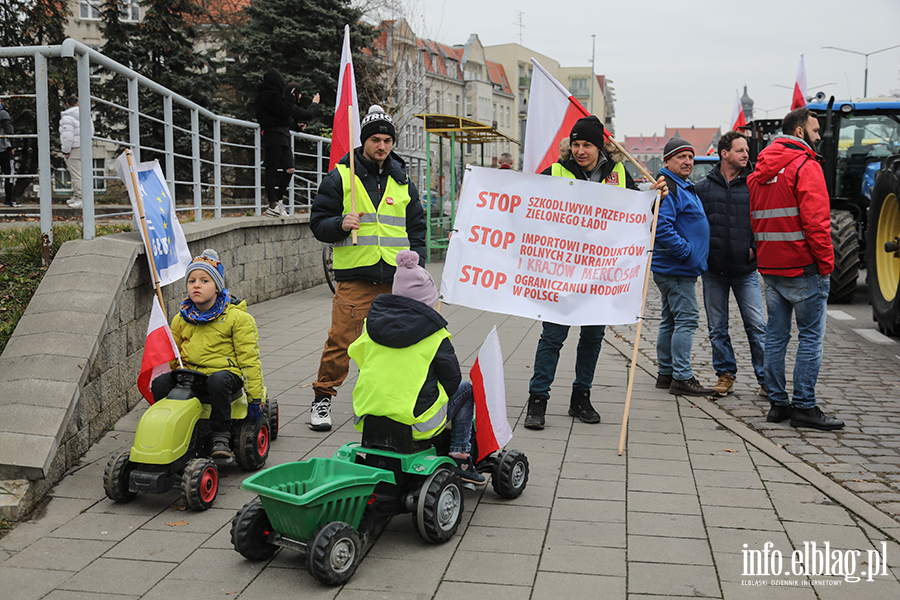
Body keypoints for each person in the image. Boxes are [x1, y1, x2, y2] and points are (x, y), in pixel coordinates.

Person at [524, 115, 668, 429]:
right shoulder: (556, 172)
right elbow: (527, 203)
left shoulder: (619, 173)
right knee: (552, 337)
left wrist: (656, 198)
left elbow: (638, 215)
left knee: (592, 337)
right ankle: (538, 400)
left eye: (586, 144)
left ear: (598, 146)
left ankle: (581, 397)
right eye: (575, 144)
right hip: (561, 272)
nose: (580, 150)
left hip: (600, 275)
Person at [308, 105, 427, 431]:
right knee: (341, 343)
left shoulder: (402, 180)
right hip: (355, 280)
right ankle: (322, 398)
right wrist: (340, 224)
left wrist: (418, 266)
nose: (382, 146)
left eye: (388, 140)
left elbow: (416, 229)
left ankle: (383, 404)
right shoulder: (340, 176)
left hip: (396, 281)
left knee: (392, 346)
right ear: (364, 142)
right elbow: (318, 224)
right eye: (376, 139)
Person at [349, 250, 485, 484]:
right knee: (466, 389)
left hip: (366, 415)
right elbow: (452, 383)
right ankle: (461, 455)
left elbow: (362, 364)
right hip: (415, 421)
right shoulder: (436, 335)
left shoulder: (370, 328)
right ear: (428, 302)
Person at [748, 108, 843, 430]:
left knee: (776, 338)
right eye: (816, 131)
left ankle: (778, 403)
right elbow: (817, 223)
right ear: (800, 132)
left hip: (771, 266)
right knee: (810, 339)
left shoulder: (760, 170)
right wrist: (827, 265)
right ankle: (804, 406)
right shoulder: (805, 165)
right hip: (804, 268)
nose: (819, 138)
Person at [151, 249, 265, 460]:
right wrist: (176, 375)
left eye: (205, 280)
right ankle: (165, 430)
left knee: (218, 380)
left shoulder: (237, 318)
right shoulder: (181, 318)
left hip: (226, 376)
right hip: (191, 376)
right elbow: (173, 356)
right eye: (191, 280)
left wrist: (255, 397)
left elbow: (249, 360)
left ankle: (220, 435)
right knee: (160, 383)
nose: (196, 285)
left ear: (217, 286)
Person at [694, 130, 766, 397]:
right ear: (724, 154)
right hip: (713, 272)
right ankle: (725, 374)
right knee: (717, 328)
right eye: (740, 150)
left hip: (745, 271)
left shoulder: (755, 184)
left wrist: (754, 250)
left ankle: (766, 378)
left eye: (747, 150)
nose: (746, 154)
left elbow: (764, 220)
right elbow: (693, 226)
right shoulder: (703, 188)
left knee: (757, 326)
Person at [652, 138, 713, 397]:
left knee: (670, 320)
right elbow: (662, 226)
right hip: (677, 268)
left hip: (674, 267)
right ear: (667, 161)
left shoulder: (681, 185)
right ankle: (682, 377)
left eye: (690, 157)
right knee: (686, 320)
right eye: (681, 157)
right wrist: (686, 253)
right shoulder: (669, 188)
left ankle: (666, 373)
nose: (688, 162)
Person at [255, 69, 320, 217]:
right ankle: (272, 205)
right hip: (273, 136)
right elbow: (284, 112)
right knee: (271, 170)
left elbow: (282, 117)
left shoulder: (275, 97)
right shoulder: (268, 95)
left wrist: (295, 127)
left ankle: (277, 201)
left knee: (290, 168)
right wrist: (290, 97)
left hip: (282, 137)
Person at [59, 95, 93, 209]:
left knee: (75, 175)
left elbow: (68, 137)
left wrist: (66, 151)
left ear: (67, 104)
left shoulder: (66, 118)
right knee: (82, 173)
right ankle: (78, 197)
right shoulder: (85, 114)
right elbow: (91, 131)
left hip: (74, 148)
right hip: (85, 146)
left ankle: (80, 198)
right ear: (78, 103)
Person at [0, 96, 17, 208]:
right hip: (3, 147)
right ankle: (9, 199)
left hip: (3, 146)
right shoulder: (3, 114)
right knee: (9, 174)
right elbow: (9, 129)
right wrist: (12, 145)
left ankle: (9, 199)